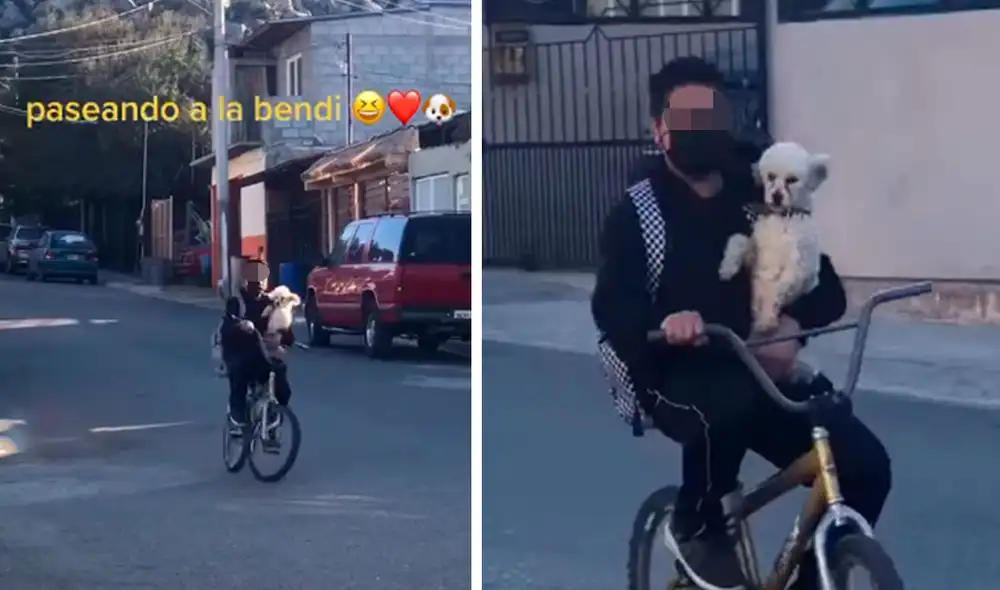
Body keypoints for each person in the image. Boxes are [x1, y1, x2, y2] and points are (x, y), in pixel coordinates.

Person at [591, 57, 891, 590]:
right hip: (675, 371)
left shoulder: (761, 193)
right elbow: (612, 308)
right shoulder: (639, 213)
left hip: (763, 370)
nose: (704, 130)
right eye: (688, 118)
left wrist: (791, 322)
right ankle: (695, 524)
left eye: (713, 115)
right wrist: (668, 322)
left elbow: (826, 288)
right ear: (660, 130)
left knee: (865, 466)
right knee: (720, 406)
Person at [219, 278, 295, 432]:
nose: (260, 283)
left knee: (281, 383)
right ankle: (237, 416)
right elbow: (226, 326)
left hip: (263, 355)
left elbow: (283, 330)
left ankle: (272, 421)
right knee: (239, 372)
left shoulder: (271, 303)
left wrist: (284, 336)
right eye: (255, 279)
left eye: (263, 279)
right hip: (239, 353)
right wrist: (240, 326)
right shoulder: (238, 302)